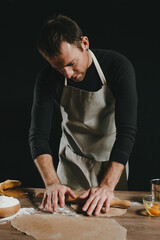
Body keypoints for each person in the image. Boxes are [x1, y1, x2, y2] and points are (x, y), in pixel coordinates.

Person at [29, 14, 137, 216]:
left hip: (111, 163)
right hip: (72, 164)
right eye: (58, 68)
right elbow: (38, 136)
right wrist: (52, 183)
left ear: (84, 43)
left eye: (71, 63)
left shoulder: (117, 66)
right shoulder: (47, 78)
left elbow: (127, 131)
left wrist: (107, 186)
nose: (68, 74)